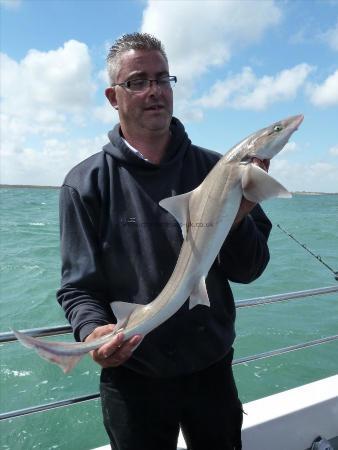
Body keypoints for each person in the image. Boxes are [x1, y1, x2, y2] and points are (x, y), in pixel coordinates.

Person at [57, 32, 272, 450]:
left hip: (211, 369)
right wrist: (91, 334)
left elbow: (249, 270)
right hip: (133, 375)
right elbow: (78, 286)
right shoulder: (84, 184)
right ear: (112, 96)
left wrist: (237, 220)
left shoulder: (220, 169)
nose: (154, 91)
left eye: (162, 79)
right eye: (138, 81)